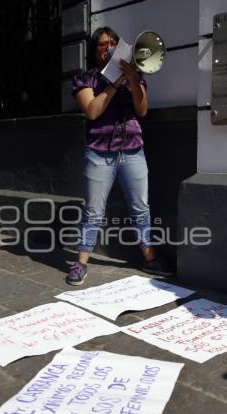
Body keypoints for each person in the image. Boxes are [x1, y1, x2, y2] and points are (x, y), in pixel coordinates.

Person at [66, 26, 172, 285]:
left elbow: (142, 110)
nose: (109, 47)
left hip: (133, 150)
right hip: (99, 153)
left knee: (141, 208)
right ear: (95, 50)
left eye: (113, 42)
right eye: (102, 44)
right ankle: (80, 263)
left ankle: (149, 258)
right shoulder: (85, 79)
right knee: (93, 211)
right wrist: (115, 83)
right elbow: (92, 111)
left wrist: (133, 80)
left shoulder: (135, 75)